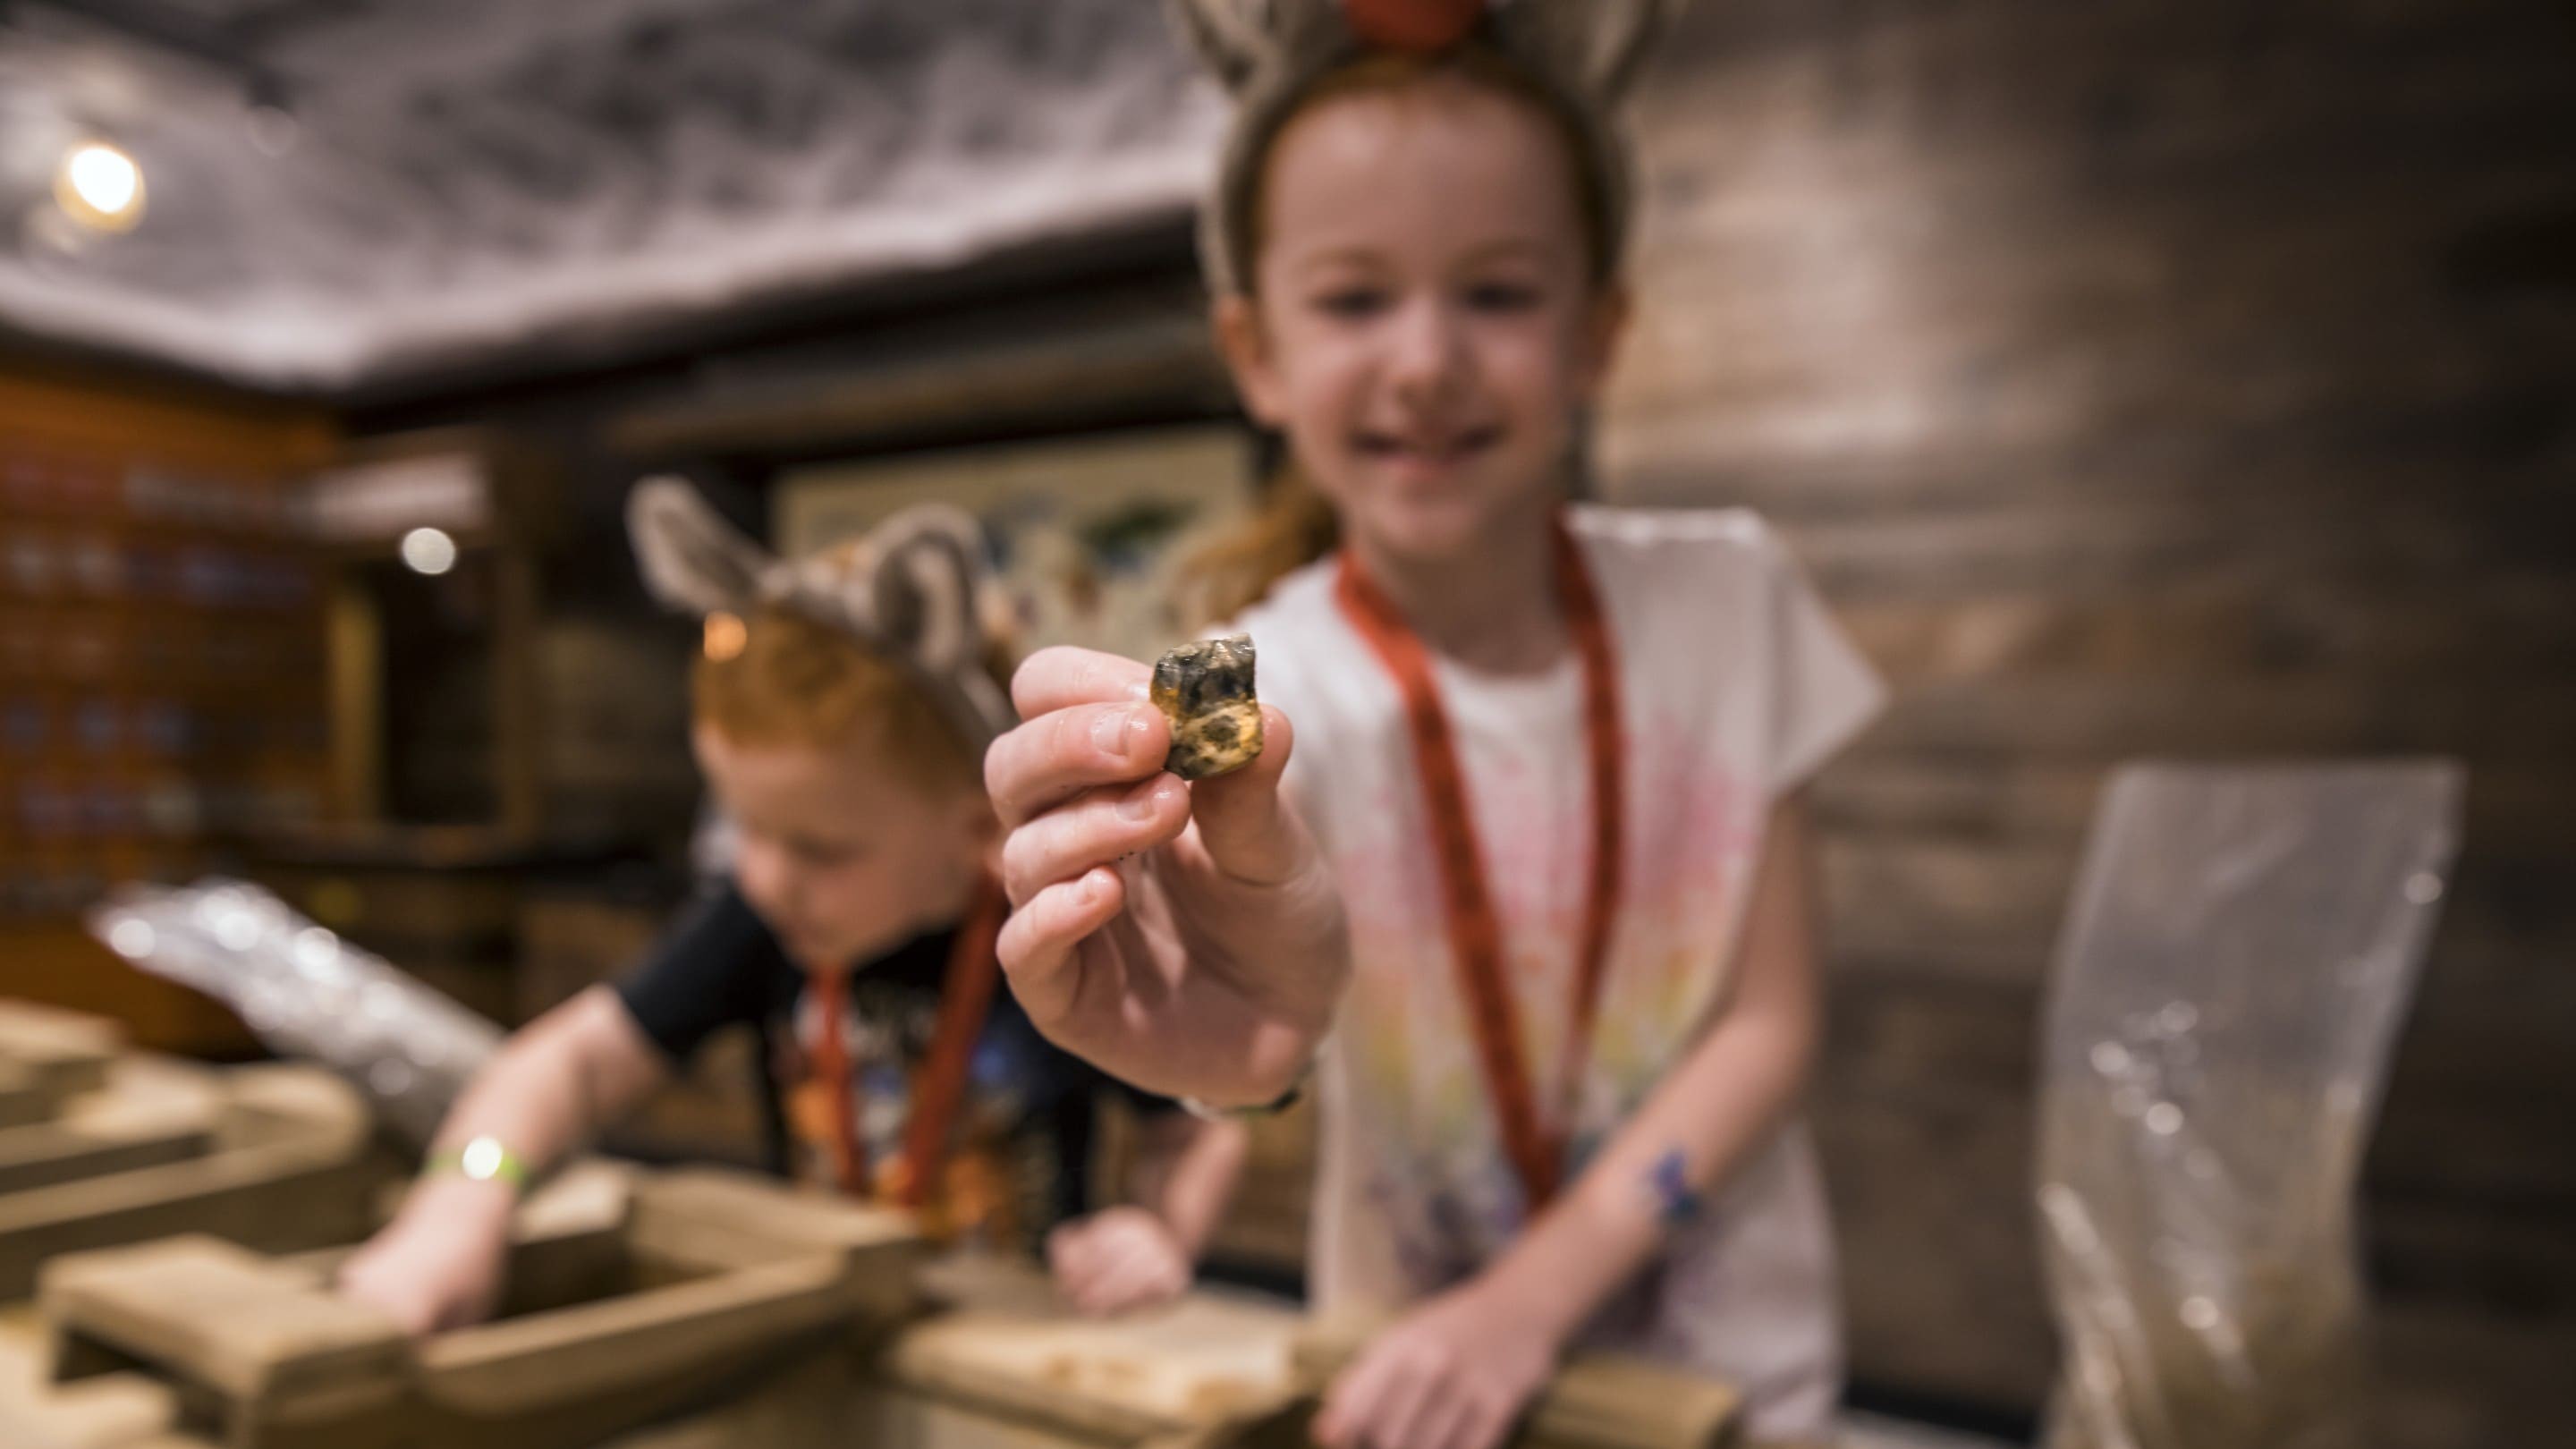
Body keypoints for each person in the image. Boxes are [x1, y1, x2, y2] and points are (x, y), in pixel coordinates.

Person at [983, 2, 1887, 1445]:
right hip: (1411, 1395)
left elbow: (1771, 1023)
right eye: (1353, 300)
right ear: (1257, 352)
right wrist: (1236, 1052)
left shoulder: (1730, 603)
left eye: (1498, 292)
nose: (1425, 358)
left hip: (1732, 1392)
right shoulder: (1265, 686)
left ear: (1600, 332)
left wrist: (1528, 1302)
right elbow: (1266, 998)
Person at [339, 480, 1244, 1334]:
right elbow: (565, 1064)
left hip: (1019, 1342)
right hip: (832, 1326)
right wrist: (463, 1196)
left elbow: (1197, 1132)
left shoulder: (1066, 929)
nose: (766, 877)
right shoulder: (764, 918)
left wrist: (1159, 1231)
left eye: (820, 849)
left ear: (977, 825)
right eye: (741, 827)